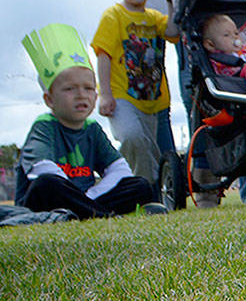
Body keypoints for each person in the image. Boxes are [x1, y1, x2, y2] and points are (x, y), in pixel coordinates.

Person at [16, 23, 160, 219]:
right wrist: (83, 198)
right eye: (70, 89)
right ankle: (101, 214)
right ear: (49, 99)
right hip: (49, 199)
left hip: (82, 199)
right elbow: (41, 169)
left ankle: (85, 212)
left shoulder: (92, 128)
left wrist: (86, 198)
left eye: (88, 88)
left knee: (140, 185)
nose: (80, 95)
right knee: (47, 183)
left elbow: (120, 169)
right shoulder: (44, 125)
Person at [90, 0, 179, 189]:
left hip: (152, 98)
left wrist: (170, 2)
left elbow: (172, 31)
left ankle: (147, 190)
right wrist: (105, 94)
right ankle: (140, 187)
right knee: (131, 137)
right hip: (121, 96)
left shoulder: (153, 17)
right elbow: (103, 55)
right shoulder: (113, 16)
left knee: (148, 146)